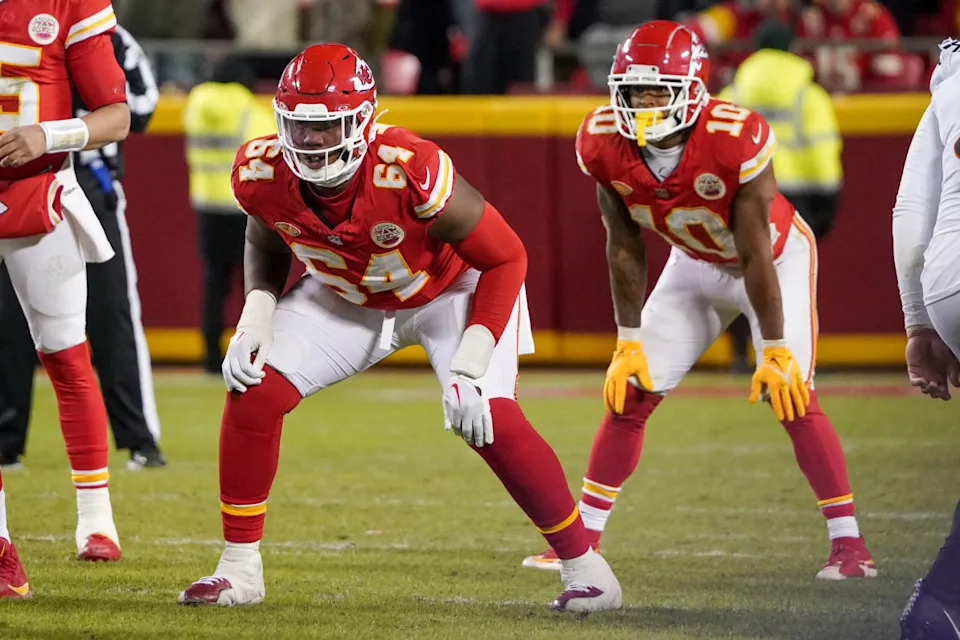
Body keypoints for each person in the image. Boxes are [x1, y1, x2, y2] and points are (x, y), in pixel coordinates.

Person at [176, 43, 621, 612]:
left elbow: (506, 257)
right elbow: (266, 231)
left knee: (489, 416)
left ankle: (588, 570)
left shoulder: (410, 167)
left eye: (327, 126)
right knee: (252, 390)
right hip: (351, 296)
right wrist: (257, 312)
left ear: (362, 120)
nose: (311, 143)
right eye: (300, 127)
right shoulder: (261, 169)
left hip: (449, 291)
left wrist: (471, 361)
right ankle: (239, 570)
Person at [520, 20, 875, 581]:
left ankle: (850, 547)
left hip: (774, 259)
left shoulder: (733, 136)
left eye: (658, 89)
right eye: (634, 90)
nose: (644, 102)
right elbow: (624, 243)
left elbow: (756, 252)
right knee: (630, 393)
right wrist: (628, 340)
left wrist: (776, 346)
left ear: (692, 88)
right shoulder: (603, 140)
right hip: (693, 262)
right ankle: (582, 540)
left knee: (792, 396)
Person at [0, 0, 132, 599]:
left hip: (38, 199)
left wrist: (45, 134)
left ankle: (95, 517)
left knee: (66, 356)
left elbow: (115, 117)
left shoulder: (68, 3)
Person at [0, 24, 165, 472]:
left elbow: (141, 107)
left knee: (112, 311)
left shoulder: (104, 33)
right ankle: (6, 441)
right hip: (18, 177)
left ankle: (139, 438)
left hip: (89, 180)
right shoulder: (16, 24)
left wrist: (66, 116)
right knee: (10, 315)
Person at [716, 18, 843, 371]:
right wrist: (828, 199)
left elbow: (717, 148)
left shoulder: (735, 92)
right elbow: (821, 149)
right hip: (797, 196)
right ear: (792, 48)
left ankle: (743, 356)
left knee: (745, 274)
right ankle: (794, 359)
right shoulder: (807, 92)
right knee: (793, 277)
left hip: (745, 194)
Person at [893, 37, 960, 640]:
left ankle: (942, 604)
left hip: (949, 280)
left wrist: (921, 321)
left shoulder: (950, 79)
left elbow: (912, 209)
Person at [184, 56, 275, 375]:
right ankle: (253, 352)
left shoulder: (195, 107)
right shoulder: (250, 110)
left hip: (207, 205)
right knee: (256, 285)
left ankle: (210, 357)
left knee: (214, 283)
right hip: (243, 208)